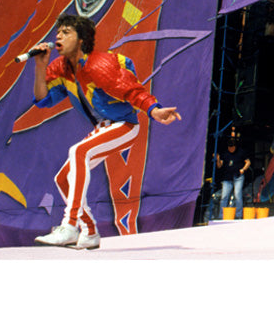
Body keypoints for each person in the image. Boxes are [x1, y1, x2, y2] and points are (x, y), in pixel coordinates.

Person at [31, 14, 180, 249]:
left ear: (81, 40)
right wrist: (40, 66)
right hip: (103, 127)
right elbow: (43, 100)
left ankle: (69, 225)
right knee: (63, 178)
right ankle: (89, 231)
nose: (58, 35)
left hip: (124, 124)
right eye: (58, 31)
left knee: (78, 152)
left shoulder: (99, 64)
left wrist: (154, 110)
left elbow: (131, 90)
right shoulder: (61, 68)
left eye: (66, 32)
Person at [215, 128, 250, 217]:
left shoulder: (241, 152)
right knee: (224, 196)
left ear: (235, 146)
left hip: (238, 176)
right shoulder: (225, 154)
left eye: (233, 147)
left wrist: (243, 169)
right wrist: (218, 159)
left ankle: (238, 214)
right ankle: (221, 215)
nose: (231, 149)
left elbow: (248, 162)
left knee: (237, 195)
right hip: (227, 177)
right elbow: (219, 166)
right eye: (230, 148)